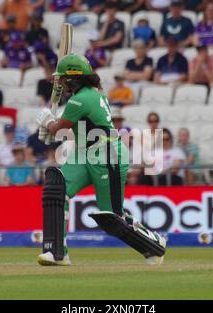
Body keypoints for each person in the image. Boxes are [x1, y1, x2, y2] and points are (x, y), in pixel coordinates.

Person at [35, 53, 165, 265]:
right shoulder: (91, 94)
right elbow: (69, 127)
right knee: (56, 188)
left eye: (63, 78)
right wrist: (51, 128)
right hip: (86, 152)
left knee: (112, 219)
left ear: (72, 79)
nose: (59, 81)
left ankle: (154, 244)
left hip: (107, 155)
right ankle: (57, 253)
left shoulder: (80, 99)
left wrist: (48, 123)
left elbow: (59, 128)